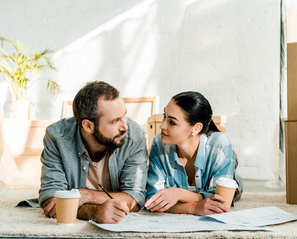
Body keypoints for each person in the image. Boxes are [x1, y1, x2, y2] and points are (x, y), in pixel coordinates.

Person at [39, 81, 148, 223]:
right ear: (88, 126)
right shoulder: (57, 136)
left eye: (124, 116)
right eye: (115, 121)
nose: (124, 126)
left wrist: (88, 196)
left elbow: (134, 198)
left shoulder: (133, 135)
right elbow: (51, 201)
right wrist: (94, 212)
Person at [145, 91, 242, 216]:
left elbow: (219, 200)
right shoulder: (159, 143)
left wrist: (179, 193)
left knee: (233, 189)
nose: (162, 126)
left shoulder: (220, 143)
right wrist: (194, 208)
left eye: (172, 122)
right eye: (164, 116)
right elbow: (152, 200)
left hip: (226, 179)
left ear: (196, 128)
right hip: (201, 190)